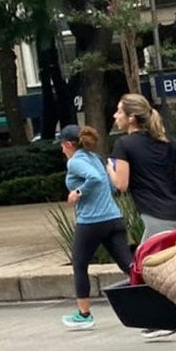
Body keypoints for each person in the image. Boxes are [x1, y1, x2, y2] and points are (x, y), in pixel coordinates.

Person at [107, 93, 176, 339]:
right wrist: (173, 176)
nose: (115, 116)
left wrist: (109, 168)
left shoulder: (123, 145)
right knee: (153, 263)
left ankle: (167, 318)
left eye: (118, 111)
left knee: (147, 266)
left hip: (152, 213)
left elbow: (122, 184)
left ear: (131, 117)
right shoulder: (164, 141)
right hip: (171, 210)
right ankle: (170, 316)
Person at [59, 124, 134, 330]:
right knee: (128, 265)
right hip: (114, 218)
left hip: (92, 221)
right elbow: (110, 186)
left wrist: (78, 193)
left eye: (62, 146)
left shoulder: (75, 162)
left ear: (68, 144)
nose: (61, 150)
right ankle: (156, 300)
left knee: (80, 265)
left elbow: (95, 178)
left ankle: (84, 315)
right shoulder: (96, 158)